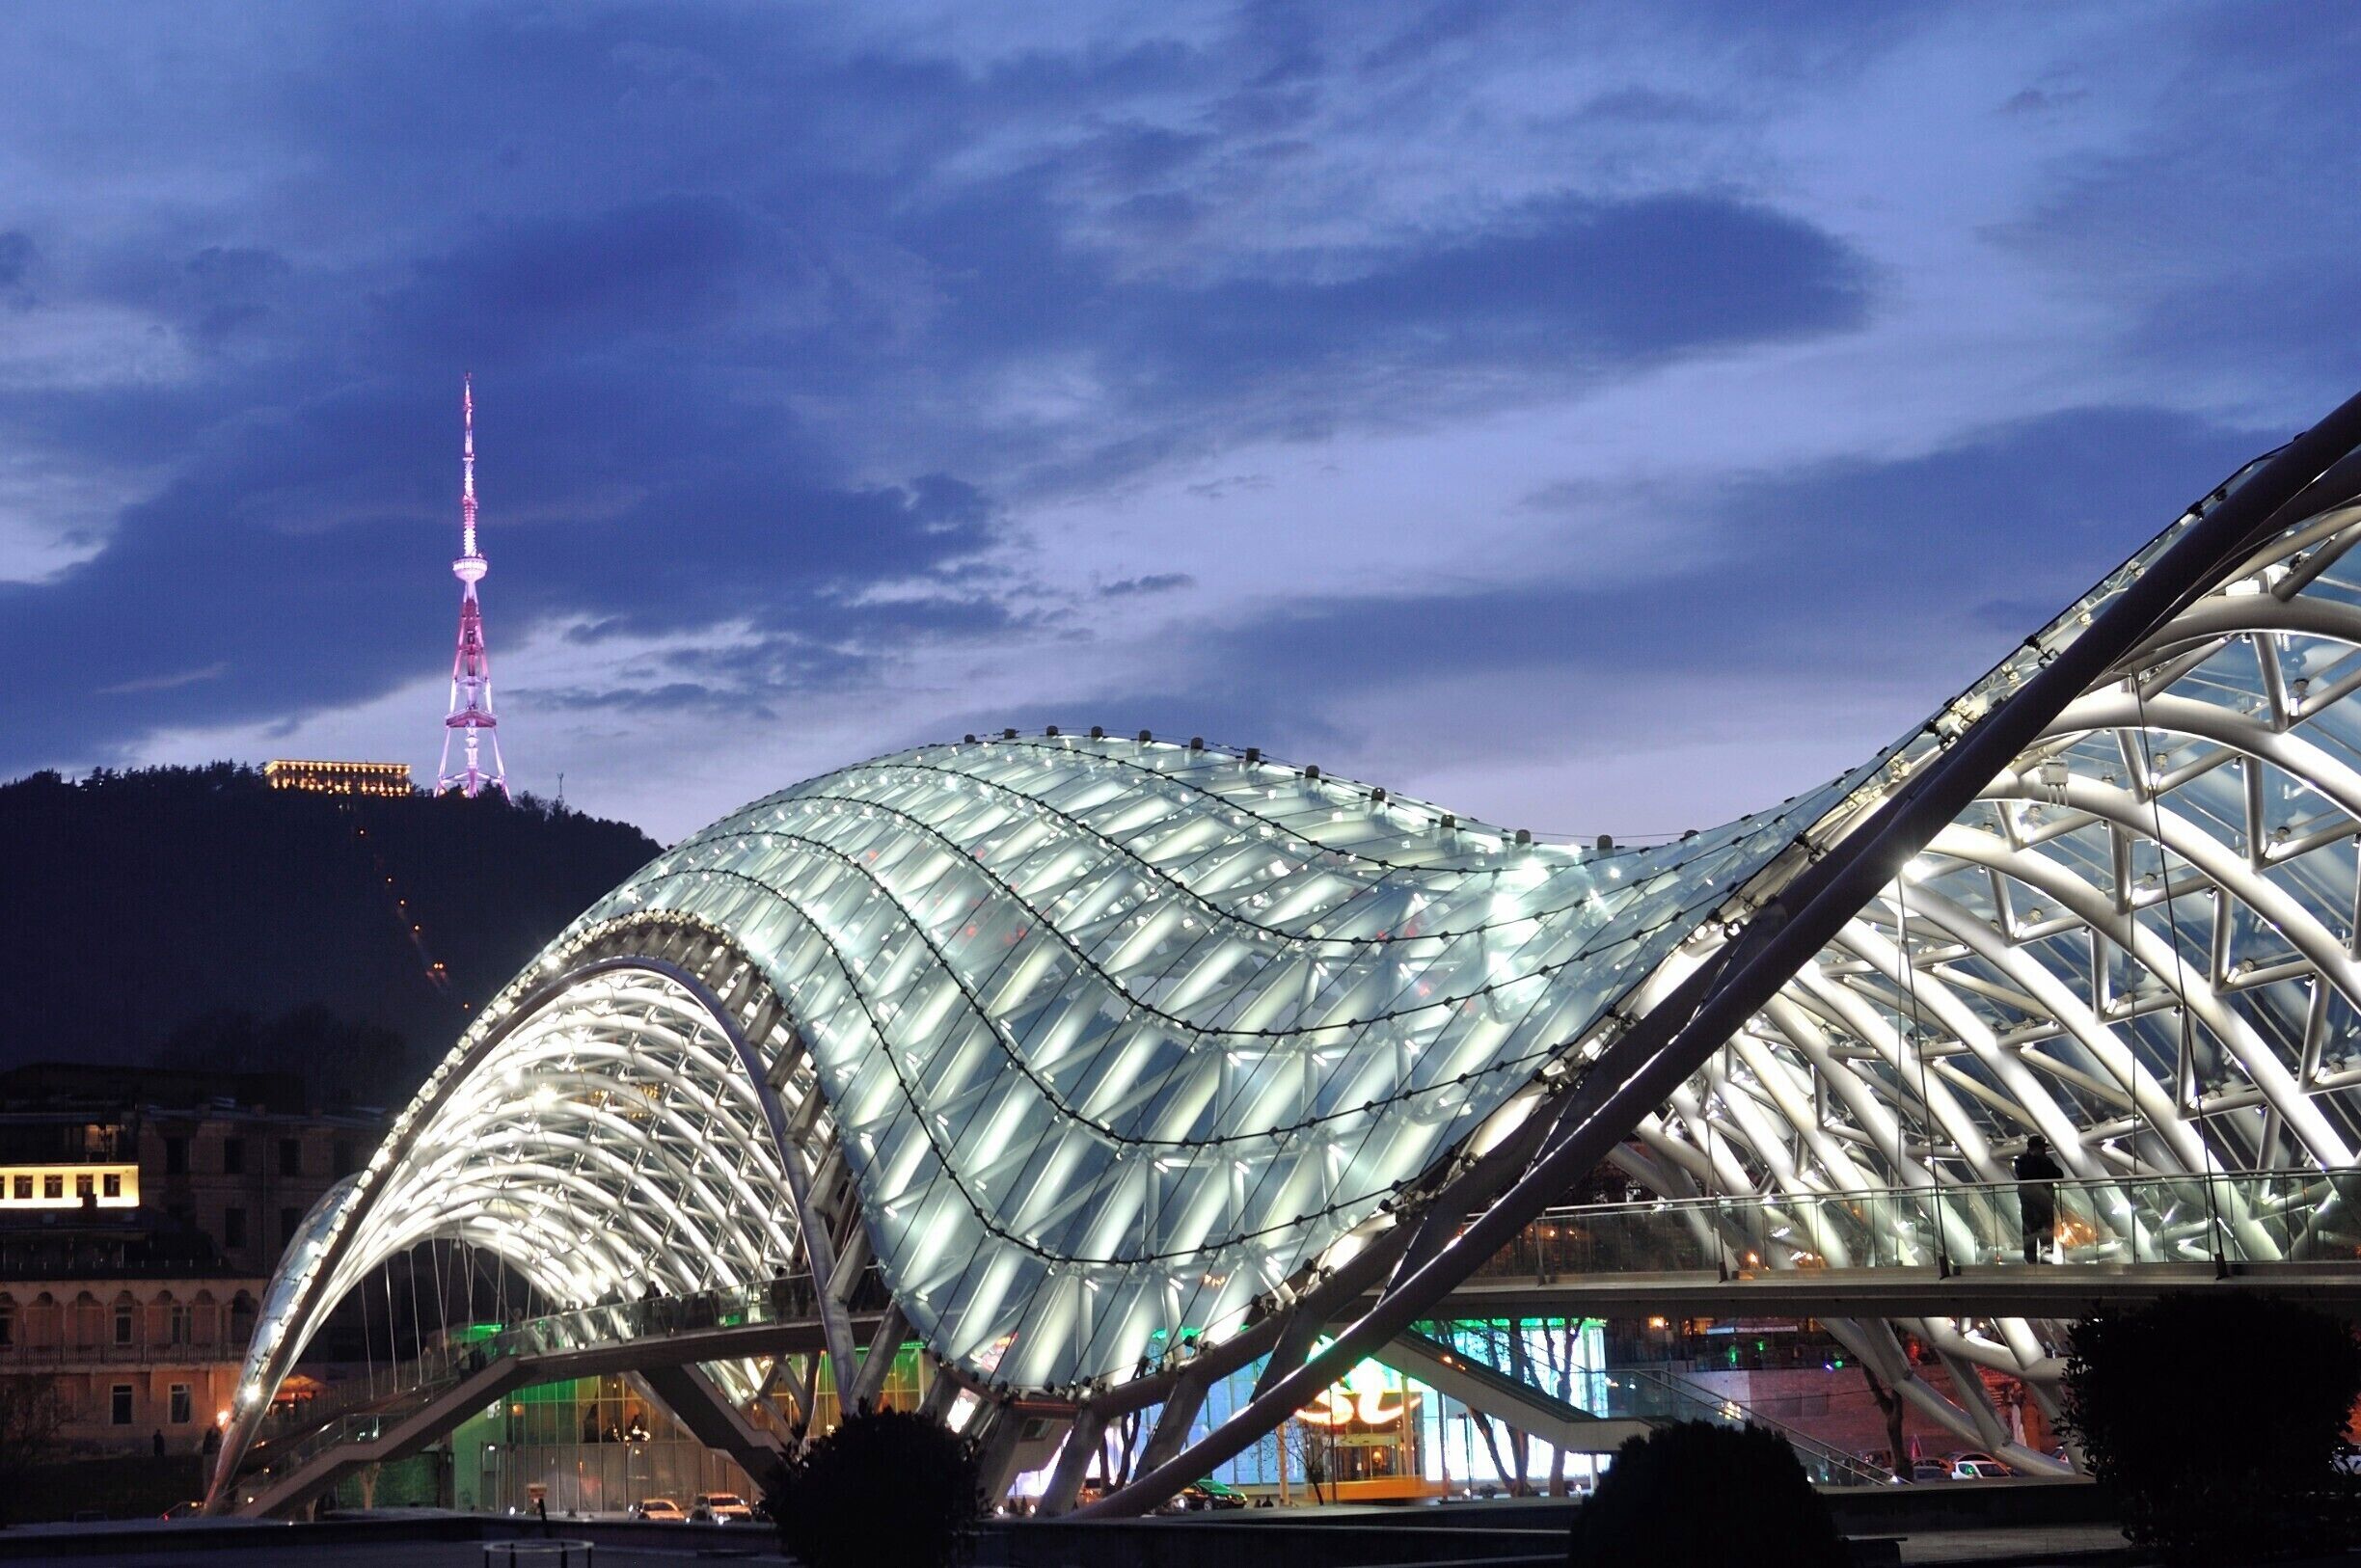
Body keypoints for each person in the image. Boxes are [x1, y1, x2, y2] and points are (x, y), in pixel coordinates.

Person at [2014, 1134, 2064, 1263]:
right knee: (2040, 1234)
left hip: (2035, 1206)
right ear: (2036, 1148)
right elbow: (2055, 1174)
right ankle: (2039, 1263)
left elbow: (2059, 1174)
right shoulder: (2032, 1161)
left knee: (2034, 1235)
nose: (2045, 1150)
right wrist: (2041, 1162)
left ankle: (2040, 1263)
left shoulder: (2023, 1161)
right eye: (2042, 1148)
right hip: (2040, 1206)